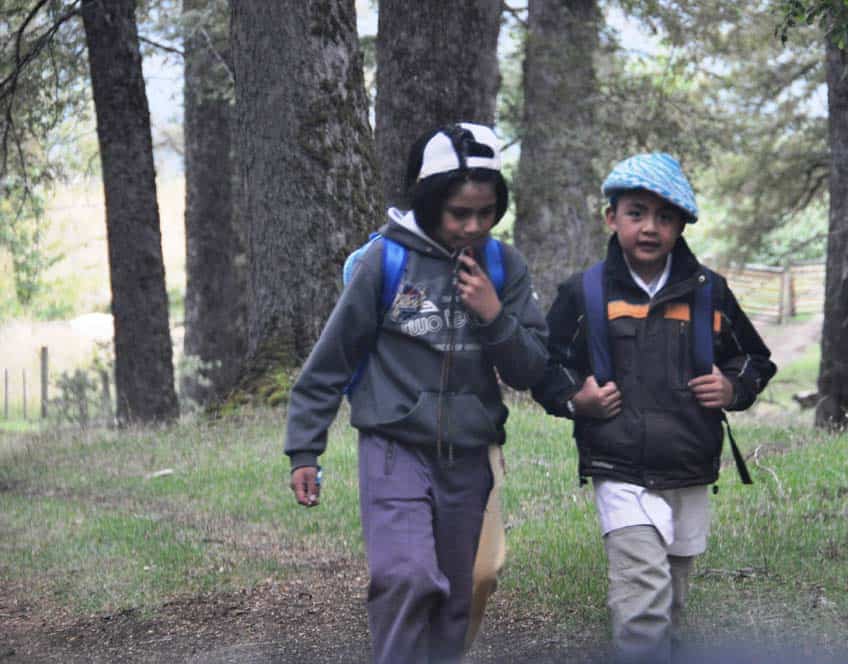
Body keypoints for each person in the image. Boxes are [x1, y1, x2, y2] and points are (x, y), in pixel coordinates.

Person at [284, 123, 548, 664]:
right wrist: (304, 447)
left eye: (485, 212)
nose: (473, 226)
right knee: (406, 577)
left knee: (457, 595)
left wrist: (494, 315)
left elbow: (531, 369)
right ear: (429, 203)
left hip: (470, 453)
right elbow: (333, 357)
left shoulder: (505, 266)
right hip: (393, 445)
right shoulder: (387, 262)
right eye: (459, 213)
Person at [531, 153, 776, 663]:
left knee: (672, 601)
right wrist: (579, 400)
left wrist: (733, 389)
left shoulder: (709, 292)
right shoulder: (585, 292)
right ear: (611, 217)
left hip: (689, 466)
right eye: (636, 213)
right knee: (642, 599)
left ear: (682, 225)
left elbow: (754, 358)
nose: (650, 227)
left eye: (665, 217)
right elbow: (547, 367)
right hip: (619, 468)